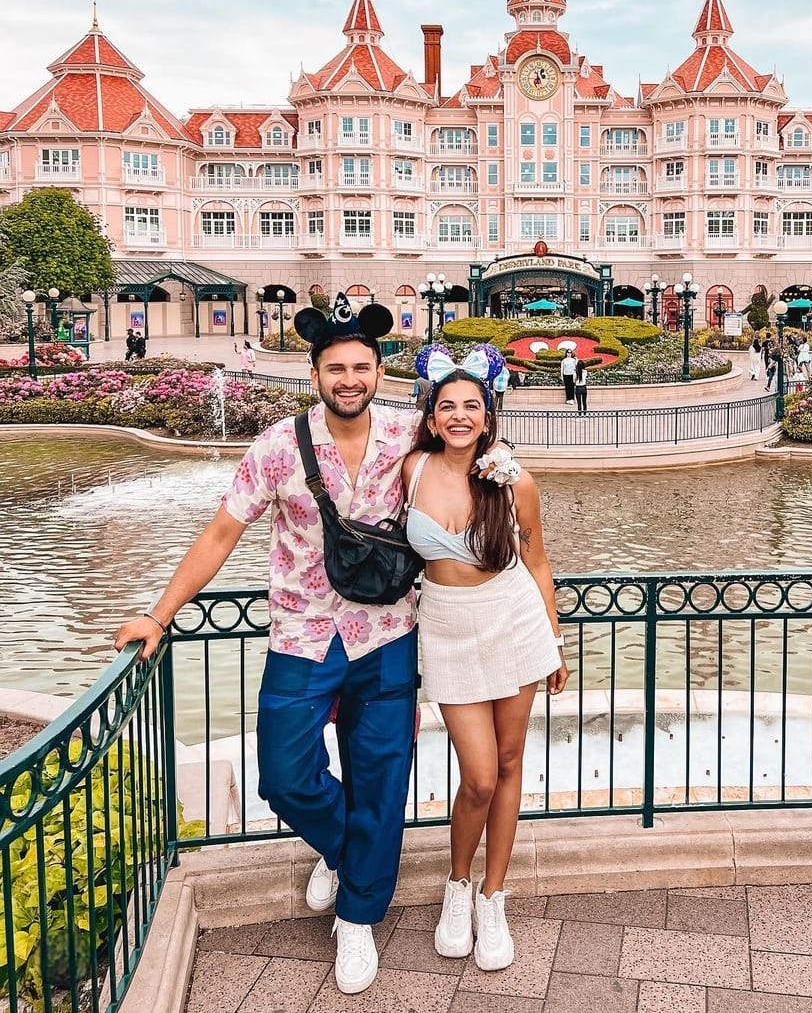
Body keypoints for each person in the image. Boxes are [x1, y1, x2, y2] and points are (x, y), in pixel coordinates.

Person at [113, 297, 521, 997]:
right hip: (301, 633)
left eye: (362, 366)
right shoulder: (275, 447)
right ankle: (346, 851)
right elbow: (219, 535)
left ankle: (358, 918)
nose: (350, 377)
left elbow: (468, 446)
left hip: (389, 632)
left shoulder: (407, 438)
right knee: (284, 774)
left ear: (379, 371)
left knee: (382, 780)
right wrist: (159, 614)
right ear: (315, 374)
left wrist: (503, 464)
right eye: (337, 368)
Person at [402, 343, 568, 972]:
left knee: (506, 762)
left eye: (473, 406)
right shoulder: (411, 470)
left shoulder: (513, 479)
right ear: (432, 415)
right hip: (445, 625)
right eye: (448, 406)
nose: (460, 416)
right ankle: (457, 885)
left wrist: (553, 639)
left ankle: (493, 898)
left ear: (489, 414)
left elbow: (539, 562)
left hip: (513, 619)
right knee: (477, 775)